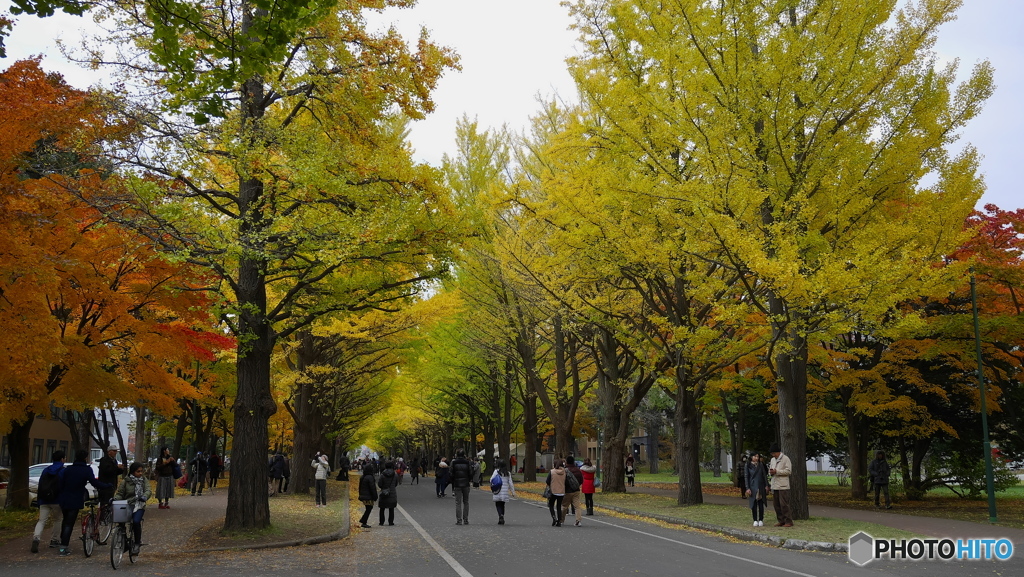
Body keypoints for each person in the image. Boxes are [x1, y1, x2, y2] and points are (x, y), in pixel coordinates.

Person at [57, 449, 111, 556]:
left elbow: (60, 483)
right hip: (75, 499)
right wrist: (107, 486)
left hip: (64, 498)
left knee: (65, 521)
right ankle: (63, 547)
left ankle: (62, 541)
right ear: (85, 458)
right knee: (69, 523)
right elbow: (94, 482)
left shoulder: (67, 469)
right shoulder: (86, 470)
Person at [31, 450, 65, 553]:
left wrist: (39, 499)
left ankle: (36, 538)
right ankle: (54, 540)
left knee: (41, 521)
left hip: (44, 499)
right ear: (62, 459)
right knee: (57, 520)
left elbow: (41, 485)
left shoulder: (46, 470)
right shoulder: (63, 470)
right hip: (57, 499)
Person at [114, 462, 152, 556]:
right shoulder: (126, 481)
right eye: (138, 471)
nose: (140, 473)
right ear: (132, 472)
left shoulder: (144, 480)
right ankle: (124, 541)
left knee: (136, 521)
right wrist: (115, 499)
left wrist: (144, 496)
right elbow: (120, 494)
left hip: (139, 504)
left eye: (141, 471)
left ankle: (137, 543)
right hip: (128, 504)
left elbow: (148, 490)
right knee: (120, 520)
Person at [97, 445, 123, 523]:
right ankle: (102, 517)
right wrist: (116, 467)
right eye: (114, 451)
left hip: (112, 484)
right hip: (104, 484)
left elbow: (114, 472)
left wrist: (121, 469)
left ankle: (107, 516)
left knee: (110, 501)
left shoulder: (114, 460)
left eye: (116, 451)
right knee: (104, 502)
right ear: (109, 452)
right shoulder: (104, 460)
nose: (115, 453)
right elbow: (107, 471)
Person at [768, 443, 793, 527]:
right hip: (775, 484)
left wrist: (777, 471)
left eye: (774, 453)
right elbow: (770, 469)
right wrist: (771, 472)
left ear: (778, 452)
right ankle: (781, 520)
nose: (773, 455)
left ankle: (788, 521)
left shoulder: (785, 459)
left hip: (783, 485)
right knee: (776, 505)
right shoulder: (772, 460)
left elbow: (788, 471)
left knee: (784, 504)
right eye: (772, 454)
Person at [744, 452, 769, 527]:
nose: (756, 458)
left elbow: (764, 475)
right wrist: (747, 488)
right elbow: (746, 476)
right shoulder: (748, 465)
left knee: (761, 503)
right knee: (753, 503)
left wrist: (766, 485)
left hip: (760, 485)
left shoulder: (760, 465)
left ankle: (761, 519)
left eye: (757, 456)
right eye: (755, 456)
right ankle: (755, 519)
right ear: (751, 457)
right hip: (752, 486)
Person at [450, 449, 473, 524]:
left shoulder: (453, 462)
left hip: (457, 484)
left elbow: (451, 473)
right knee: (466, 502)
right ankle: (466, 519)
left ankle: (459, 520)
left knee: (458, 502)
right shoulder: (467, 462)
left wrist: (453, 480)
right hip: (466, 483)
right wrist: (468, 479)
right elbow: (471, 473)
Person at [490, 458, 515, 525]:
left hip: (498, 490)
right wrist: (513, 492)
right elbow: (510, 483)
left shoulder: (496, 472)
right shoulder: (508, 473)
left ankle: (500, 515)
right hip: (504, 491)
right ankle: (502, 515)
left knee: (498, 504)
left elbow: (491, 479)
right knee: (502, 504)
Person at [562, 455, 584, 526]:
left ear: (567, 462)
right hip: (576, 490)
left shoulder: (565, 470)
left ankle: (561, 520)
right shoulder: (578, 470)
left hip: (567, 490)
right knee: (577, 506)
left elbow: (563, 481)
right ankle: (578, 520)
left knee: (564, 506)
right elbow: (581, 480)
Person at [545, 459, 567, 527]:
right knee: (559, 506)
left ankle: (554, 517)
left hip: (553, 491)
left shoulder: (552, 472)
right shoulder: (564, 472)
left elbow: (547, 481)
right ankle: (559, 521)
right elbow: (566, 481)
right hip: (561, 491)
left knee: (551, 505)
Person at [377, 461, 399, 526]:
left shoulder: (382, 475)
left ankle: (381, 522)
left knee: (382, 508)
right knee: (391, 508)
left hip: (384, 493)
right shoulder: (395, 475)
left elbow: (379, 484)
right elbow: (396, 484)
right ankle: (390, 522)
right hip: (392, 493)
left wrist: (384, 488)